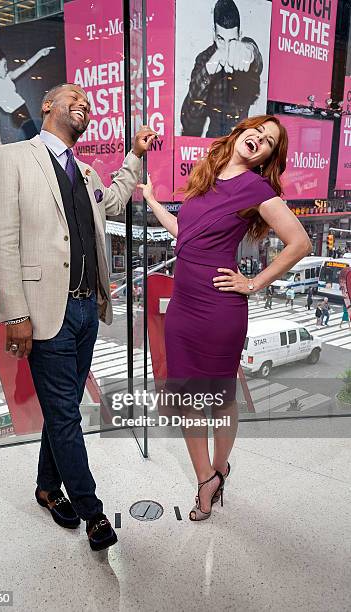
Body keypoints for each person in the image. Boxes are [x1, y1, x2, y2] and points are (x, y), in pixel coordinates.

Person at [0, 82, 155, 551]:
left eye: (88, 103)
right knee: (66, 416)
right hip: (41, 312)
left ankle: (45, 487)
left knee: (63, 413)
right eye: (73, 97)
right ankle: (91, 511)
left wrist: (135, 155)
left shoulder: (85, 172)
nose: (83, 104)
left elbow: (115, 202)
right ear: (47, 107)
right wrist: (13, 312)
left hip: (85, 308)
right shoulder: (13, 159)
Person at [138, 114, 312, 521]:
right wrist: (150, 201)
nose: (260, 140)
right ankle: (207, 478)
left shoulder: (256, 187)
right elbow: (184, 233)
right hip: (183, 306)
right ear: (241, 132)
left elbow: (300, 242)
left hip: (220, 308)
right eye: (258, 132)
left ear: (267, 156)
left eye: (269, 142)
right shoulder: (207, 179)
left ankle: (218, 469)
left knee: (219, 399)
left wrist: (253, 283)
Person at [180, 0, 263, 138]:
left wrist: (249, 51)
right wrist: (207, 72)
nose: (226, 48)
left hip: (242, 138)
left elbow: (256, 59)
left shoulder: (244, 50)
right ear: (213, 34)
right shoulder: (204, 59)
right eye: (220, 39)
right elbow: (188, 122)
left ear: (240, 35)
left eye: (232, 41)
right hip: (213, 143)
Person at [0, 45, 55, 145]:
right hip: (17, 115)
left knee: (37, 139)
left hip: (24, 109)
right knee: (37, 141)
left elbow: (26, 66)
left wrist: (40, 53)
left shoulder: (8, 77)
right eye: (4, 65)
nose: (6, 69)